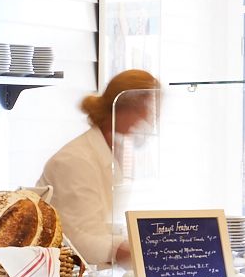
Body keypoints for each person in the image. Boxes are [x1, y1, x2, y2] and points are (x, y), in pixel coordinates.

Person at [41, 69, 162, 266]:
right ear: (125, 110)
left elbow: (107, 226)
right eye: (147, 111)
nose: (150, 121)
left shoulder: (114, 152)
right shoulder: (75, 161)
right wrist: (145, 251)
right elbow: (81, 242)